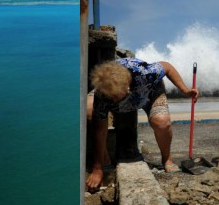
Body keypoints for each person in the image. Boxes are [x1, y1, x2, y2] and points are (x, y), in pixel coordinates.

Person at [85, 57, 199, 192]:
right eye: (110, 96)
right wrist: (96, 169)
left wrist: (185, 90)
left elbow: (167, 67)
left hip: (149, 93)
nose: (113, 100)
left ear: (127, 85)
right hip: (120, 94)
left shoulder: (145, 72)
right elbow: (100, 130)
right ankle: (104, 161)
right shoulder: (103, 94)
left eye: (115, 96)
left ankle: (167, 158)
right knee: (89, 109)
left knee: (161, 122)